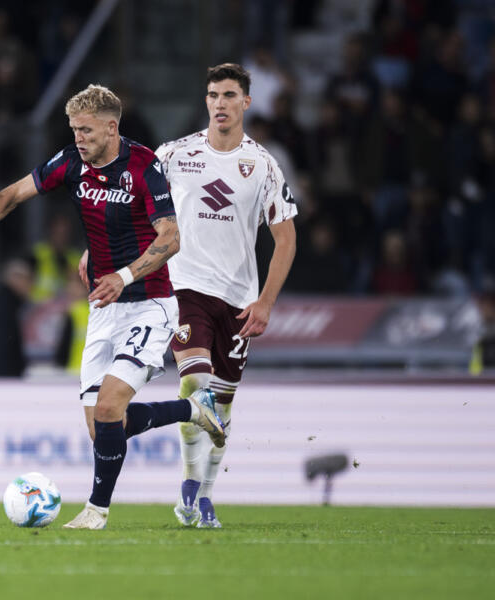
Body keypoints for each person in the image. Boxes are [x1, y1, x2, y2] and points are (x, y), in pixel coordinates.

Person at [0, 84, 226, 529]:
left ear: (111, 127)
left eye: (86, 130)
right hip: (104, 310)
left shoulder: (144, 166)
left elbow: (170, 238)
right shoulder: (70, 162)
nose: (78, 138)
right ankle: (193, 410)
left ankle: (95, 511)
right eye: (73, 129)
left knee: (109, 410)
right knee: (104, 427)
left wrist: (123, 275)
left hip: (149, 303)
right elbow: (10, 196)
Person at [155, 63, 297, 528]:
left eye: (230, 95)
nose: (220, 103)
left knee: (223, 405)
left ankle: (205, 496)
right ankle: (187, 483)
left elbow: (286, 238)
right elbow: (135, 204)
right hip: (185, 287)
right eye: (214, 94)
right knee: (194, 384)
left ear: (246, 103)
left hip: (239, 299)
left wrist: (266, 302)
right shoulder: (174, 155)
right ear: (206, 101)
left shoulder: (263, 165)